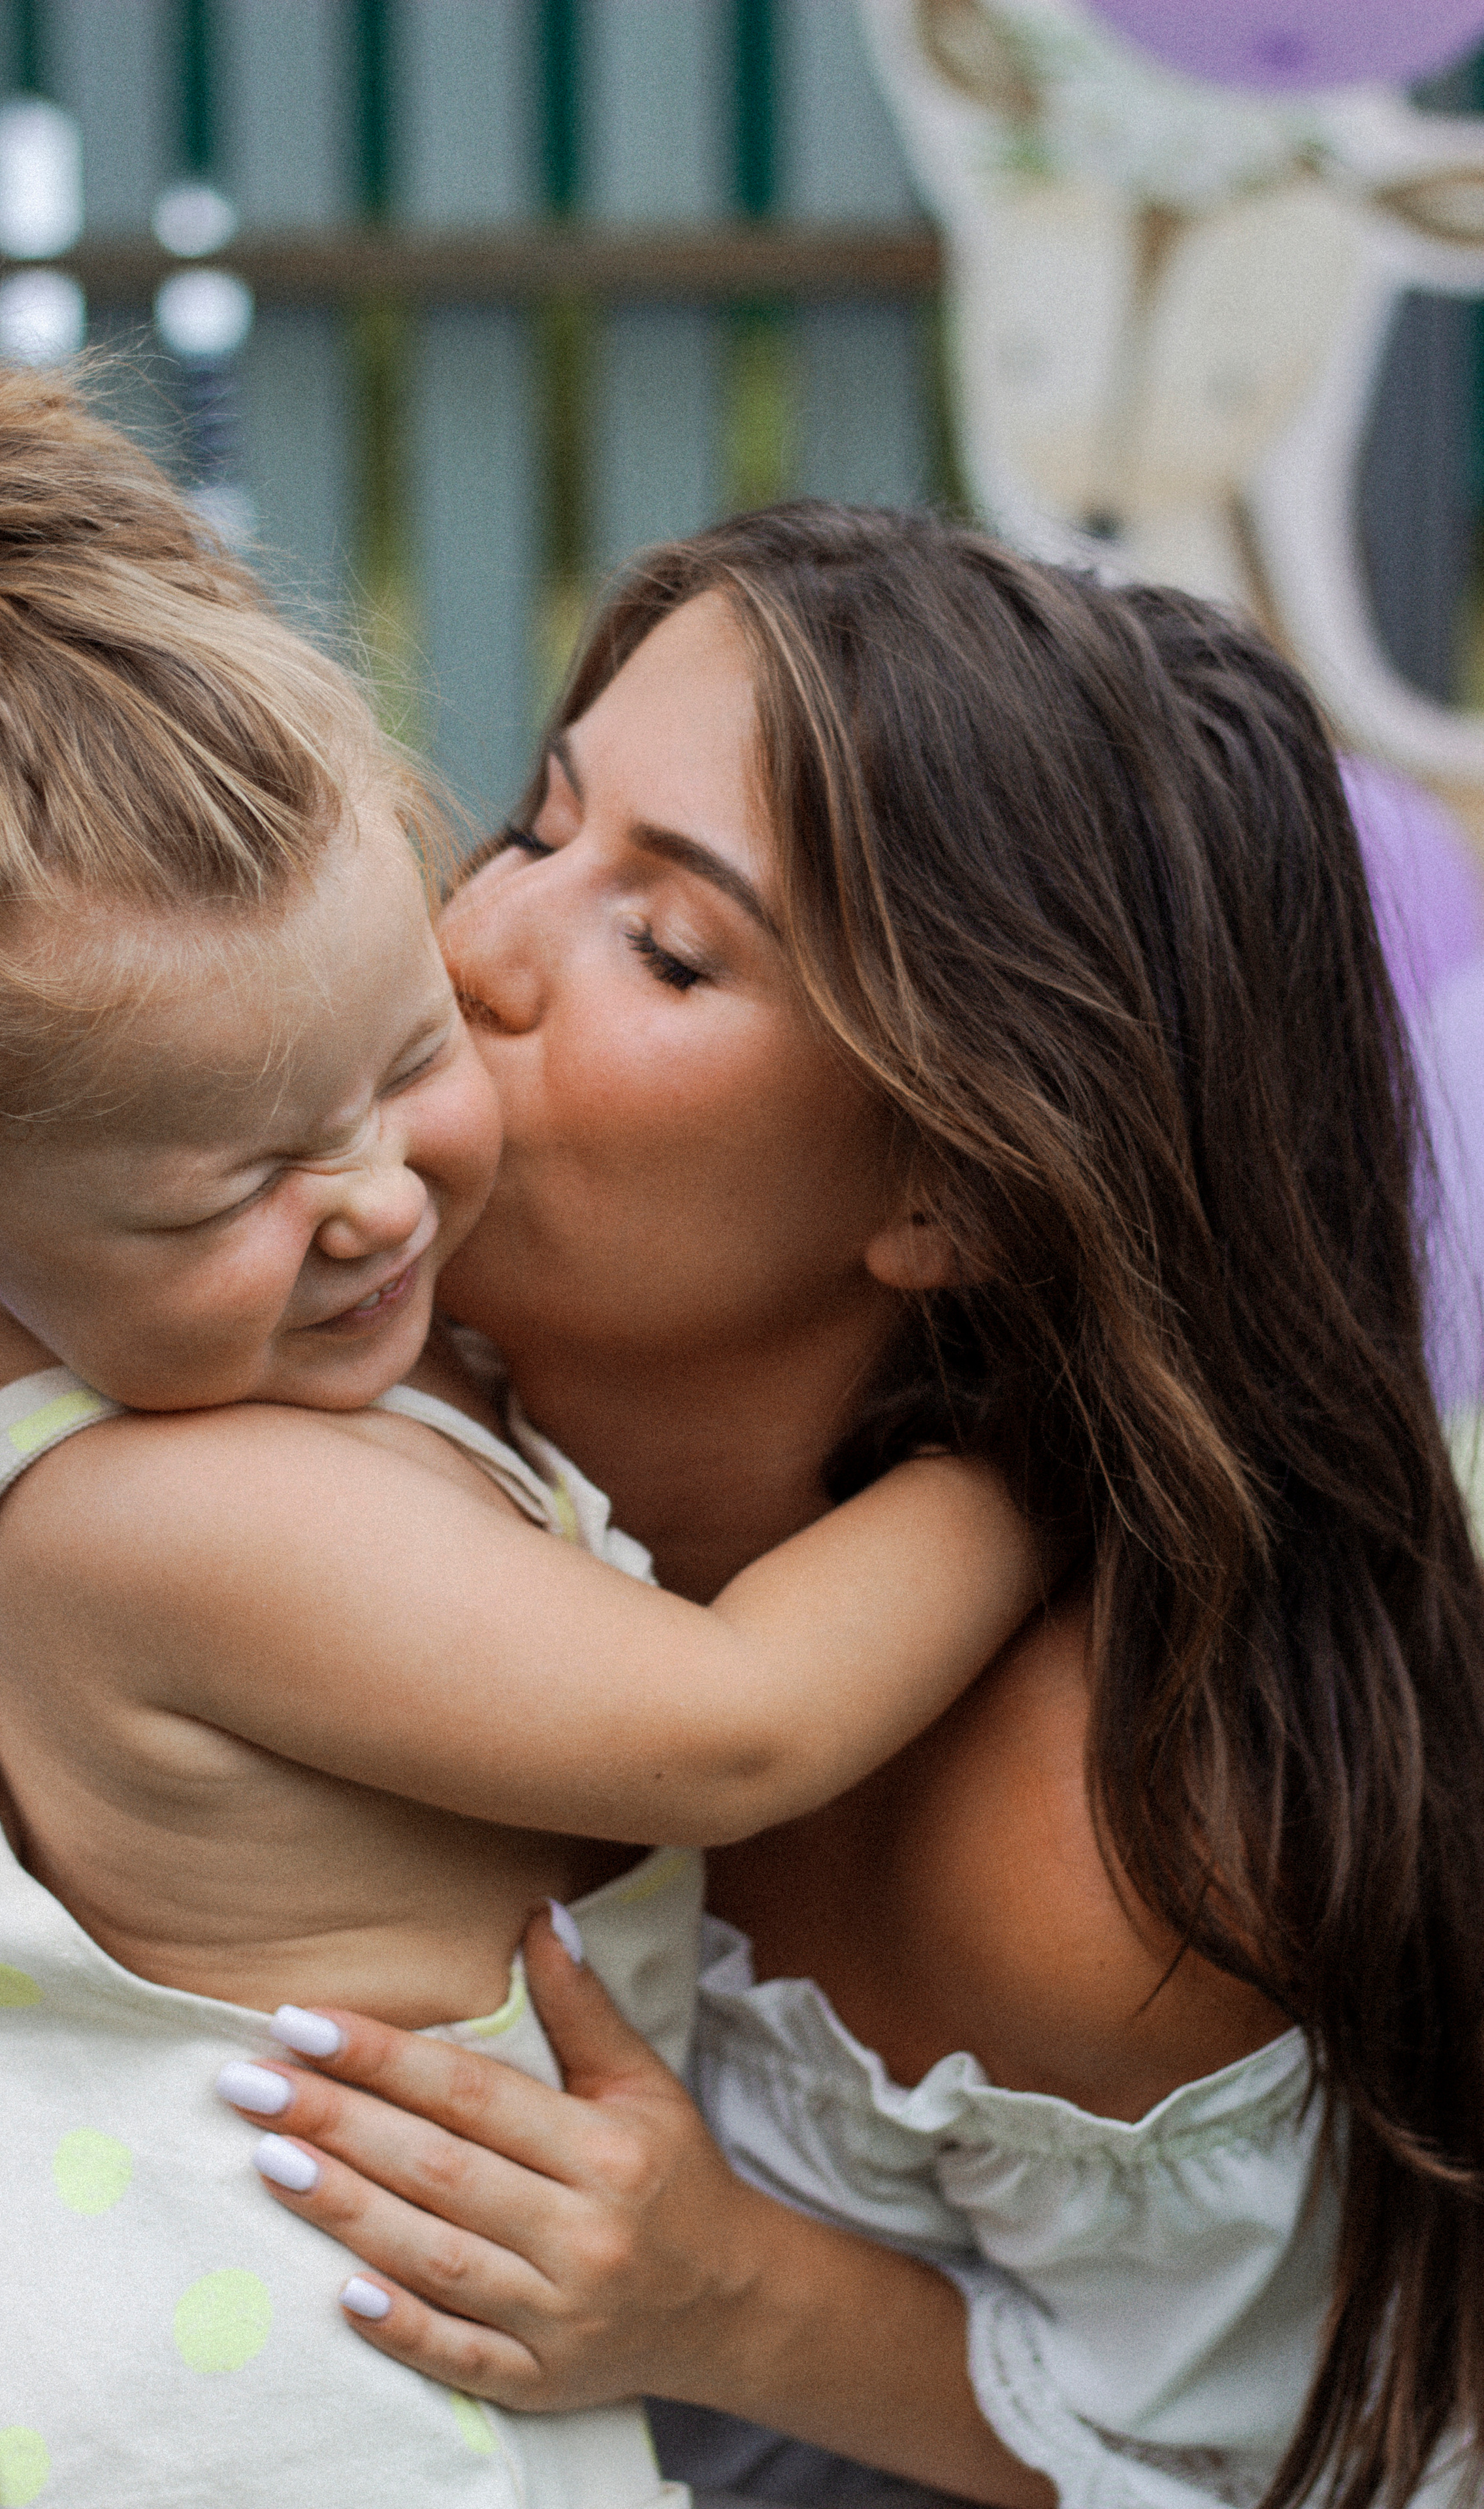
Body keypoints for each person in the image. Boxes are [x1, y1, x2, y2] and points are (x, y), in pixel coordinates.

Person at [0, 355, 1048, 2509]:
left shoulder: (157, 1309)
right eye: (237, 1188)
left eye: (404, 1061)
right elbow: (737, 1727)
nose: (380, 1200)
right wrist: (1055, 1456)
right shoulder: (161, 1515)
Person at [200, 507, 1484, 2509]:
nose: (469, 956)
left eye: (670, 946)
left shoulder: (1089, 1853)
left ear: (951, 1193)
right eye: (541, 830)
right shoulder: (363, 1399)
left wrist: (729, 2299)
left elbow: (1310, 2480)